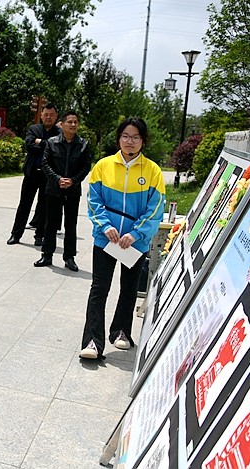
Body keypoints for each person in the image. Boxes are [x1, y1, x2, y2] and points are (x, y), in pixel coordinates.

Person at [80, 118, 165, 360]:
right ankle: (92, 342)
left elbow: (155, 208)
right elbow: (94, 200)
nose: (130, 141)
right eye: (126, 136)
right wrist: (105, 226)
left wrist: (136, 233)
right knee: (99, 288)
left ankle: (122, 332)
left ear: (143, 141)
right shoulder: (103, 166)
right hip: (106, 239)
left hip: (134, 243)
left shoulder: (153, 171)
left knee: (129, 289)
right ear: (118, 138)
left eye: (136, 137)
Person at [34, 111, 91, 271]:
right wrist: (57, 179)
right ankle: (47, 255)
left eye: (75, 122)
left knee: (71, 224)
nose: (73, 125)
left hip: (73, 190)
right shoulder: (51, 142)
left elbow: (86, 166)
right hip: (54, 189)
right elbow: (45, 164)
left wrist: (73, 180)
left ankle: (69, 257)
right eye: (70, 122)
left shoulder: (83, 144)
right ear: (62, 124)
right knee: (50, 223)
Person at [7, 104, 60, 245]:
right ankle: (16, 235)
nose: (48, 117)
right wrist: (47, 145)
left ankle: (39, 236)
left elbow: (56, 150)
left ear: (56, 116)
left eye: (51, 115)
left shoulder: (59, 133)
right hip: (31, 173)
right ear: (41, 115)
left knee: (44, 207)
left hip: (49, 175)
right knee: (24, 205)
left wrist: (40, 142)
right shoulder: (33, 129)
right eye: (46, 114)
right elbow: (29, 145)